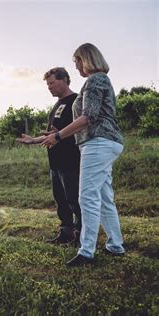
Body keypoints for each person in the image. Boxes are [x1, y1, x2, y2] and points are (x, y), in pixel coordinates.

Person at [41, 43, 125, 267]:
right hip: (105, 143)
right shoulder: (99, 81)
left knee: (87, 197)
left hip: (97, 143)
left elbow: (88, 117)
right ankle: (115, 245)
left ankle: (86, 251)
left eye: (77, 61)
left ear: (85, 59)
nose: (76, 66)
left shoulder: (96, 80)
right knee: (105, 198)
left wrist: (58, 136)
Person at [17, 68, 81, 245]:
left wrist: (59, 134)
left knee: (74, 200)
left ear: (65, 80)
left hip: (71, 160)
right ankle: (66, 233)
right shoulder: (56, 105)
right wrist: (34, 140)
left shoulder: (75, 101)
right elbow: (53, 134)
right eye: (47, 84)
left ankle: (81, 235)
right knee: (61, 200)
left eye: (52, 83)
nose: (49, 87)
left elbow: (78, 128)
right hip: (55, 162)